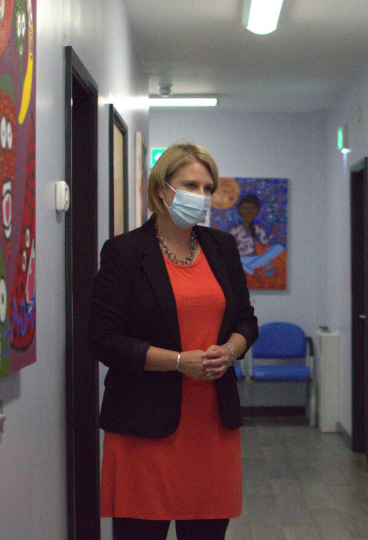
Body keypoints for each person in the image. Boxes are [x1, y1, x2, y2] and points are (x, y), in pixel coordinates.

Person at [87, 142, 259, 540]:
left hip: (212, 426)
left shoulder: (222, 247)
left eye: (207, 188)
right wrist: (179, 361)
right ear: (162, 189)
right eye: (190, 185)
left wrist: (230, 351)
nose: (200, 196)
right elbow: (104, 340)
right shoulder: (126, 252)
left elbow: (246, 320)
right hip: (143, 428)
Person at [228, 194, 285, 276]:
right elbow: (230, 249)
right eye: (245, 208)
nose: (248, 211)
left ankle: (247, 268)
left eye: (252, 208)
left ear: (257, 210)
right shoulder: (234, 229)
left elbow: (264, 243)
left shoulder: (258, 228)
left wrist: (273, 234)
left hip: (256, 260)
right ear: (240, 210)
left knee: (279, 247)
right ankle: (250, 270)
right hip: (240, 260)